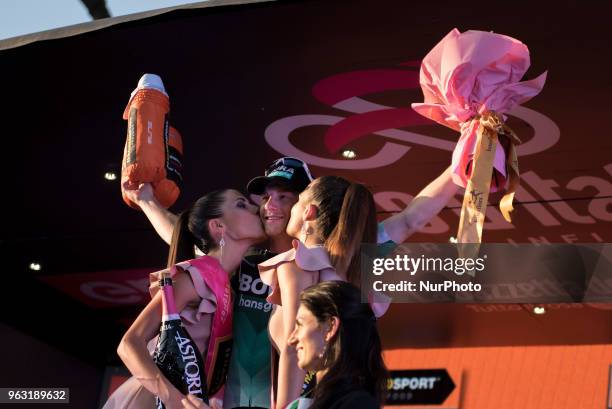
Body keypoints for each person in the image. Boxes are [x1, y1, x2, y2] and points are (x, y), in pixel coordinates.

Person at [124, 157, 458, 408]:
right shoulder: (240, 261)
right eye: (266, 196)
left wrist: (464, 164)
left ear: (309, 207)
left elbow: (412, 217)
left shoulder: (339, 253)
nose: (272, 205)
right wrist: (146, 201)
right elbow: (185, 236)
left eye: (286, 197)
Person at [103, 189, 265, 409]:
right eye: (241, 204)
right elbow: (129, 344)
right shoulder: (193, 276)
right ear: (218, 227)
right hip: (153, 401)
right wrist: (175, 400)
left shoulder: (228, 285)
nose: (257, 208)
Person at [287, 281, 388, 409]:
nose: (291, 339)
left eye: (300, 324)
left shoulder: (357, 404)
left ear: (330, 327)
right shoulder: (305, 403)